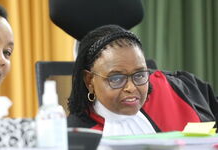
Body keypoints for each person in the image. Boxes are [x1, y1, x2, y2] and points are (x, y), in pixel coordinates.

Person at [67, 24, 218, 136]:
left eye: (139, 75)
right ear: (89, 81)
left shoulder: (175, 88)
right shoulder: (77, 136)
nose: (131, 87)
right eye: (116, 78)